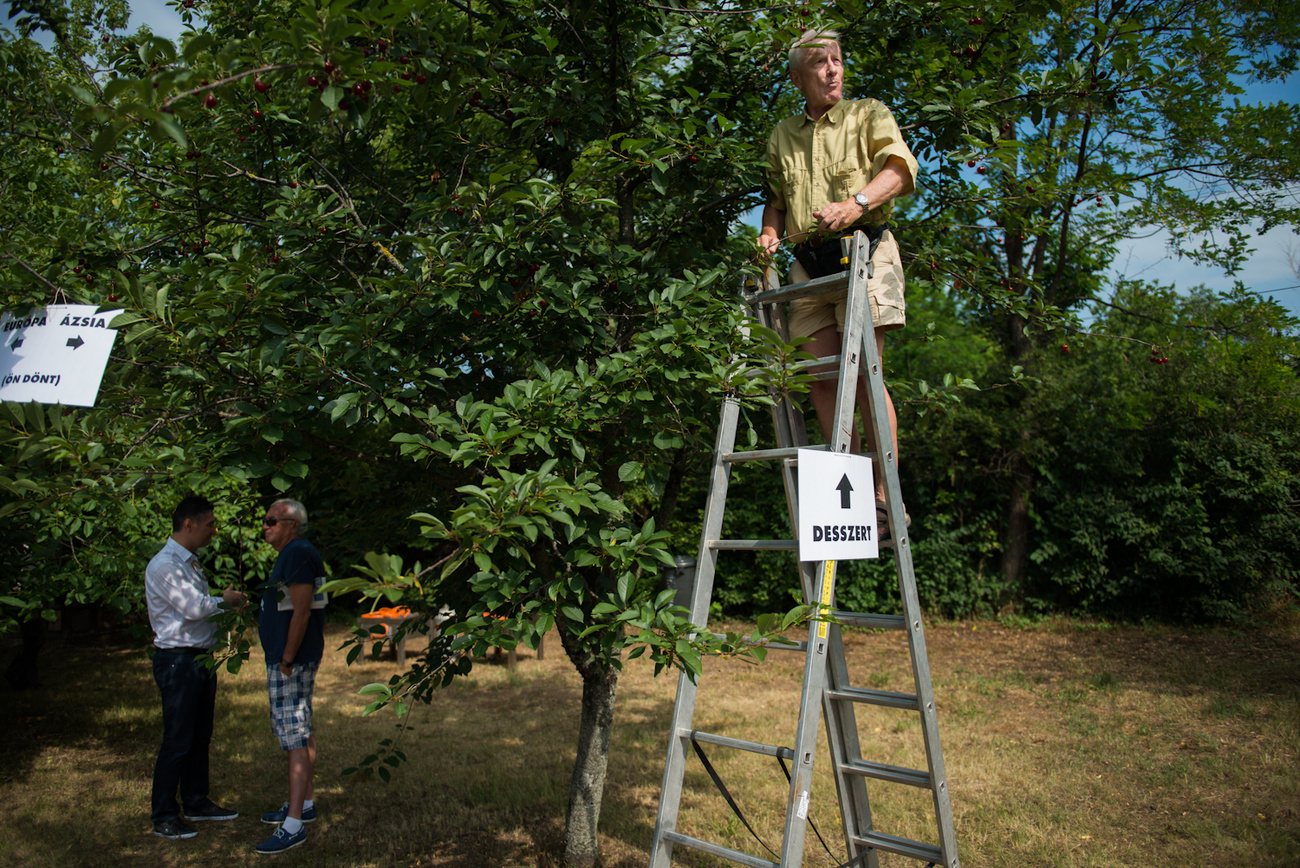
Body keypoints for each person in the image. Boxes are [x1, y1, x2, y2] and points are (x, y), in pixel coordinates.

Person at [757, 29, 919, 529]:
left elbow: (901, 169)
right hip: (808, 267)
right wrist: (766, 237)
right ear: (796, 77)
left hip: (863, 252)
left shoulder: (866, 114)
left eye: (837, 60)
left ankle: (882, 493)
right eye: (820, 63)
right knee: (823, 382)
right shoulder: (782, 134)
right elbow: (777, 203)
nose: (832, 69)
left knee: (866, 377)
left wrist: (857, 204)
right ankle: (844, 495)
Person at [145, 494, 245, 840]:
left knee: (200, 735)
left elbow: (197, 607)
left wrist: (221, 606)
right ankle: (164, 815)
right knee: (178, 739)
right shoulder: (166, 565)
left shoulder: (190, 562)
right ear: (189, 525)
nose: (213, 531)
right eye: (209, 525)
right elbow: (193, 607)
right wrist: (225, 600)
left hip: (199, 658)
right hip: (178, 662)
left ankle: (196, 800)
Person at [254, 497, 326, 855]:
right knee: (302, 730)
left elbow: (302, 612)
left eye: (272, 520)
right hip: (292, 660)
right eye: (265, 521)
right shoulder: (292, 552)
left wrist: (286, 658)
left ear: (293, 524)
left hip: (292, 663)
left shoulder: (297, 553)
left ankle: (293, 824)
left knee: (294, 734)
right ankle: (306, 804)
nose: (265, 526)